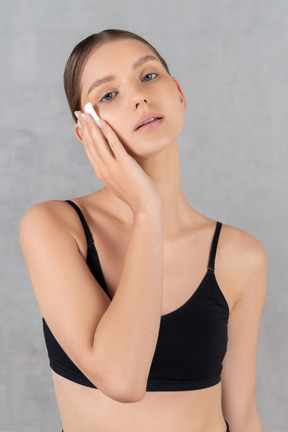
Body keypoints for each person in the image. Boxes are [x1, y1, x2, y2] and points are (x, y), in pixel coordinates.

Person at [19, 29, 267, 432]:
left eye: (148, 76)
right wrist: (146, 210)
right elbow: (121, 379)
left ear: (180, 95)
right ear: (86, 133)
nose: (139, 97)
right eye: (108, 95)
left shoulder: (239, 255)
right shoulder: (55, 227)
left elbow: (242, 416)